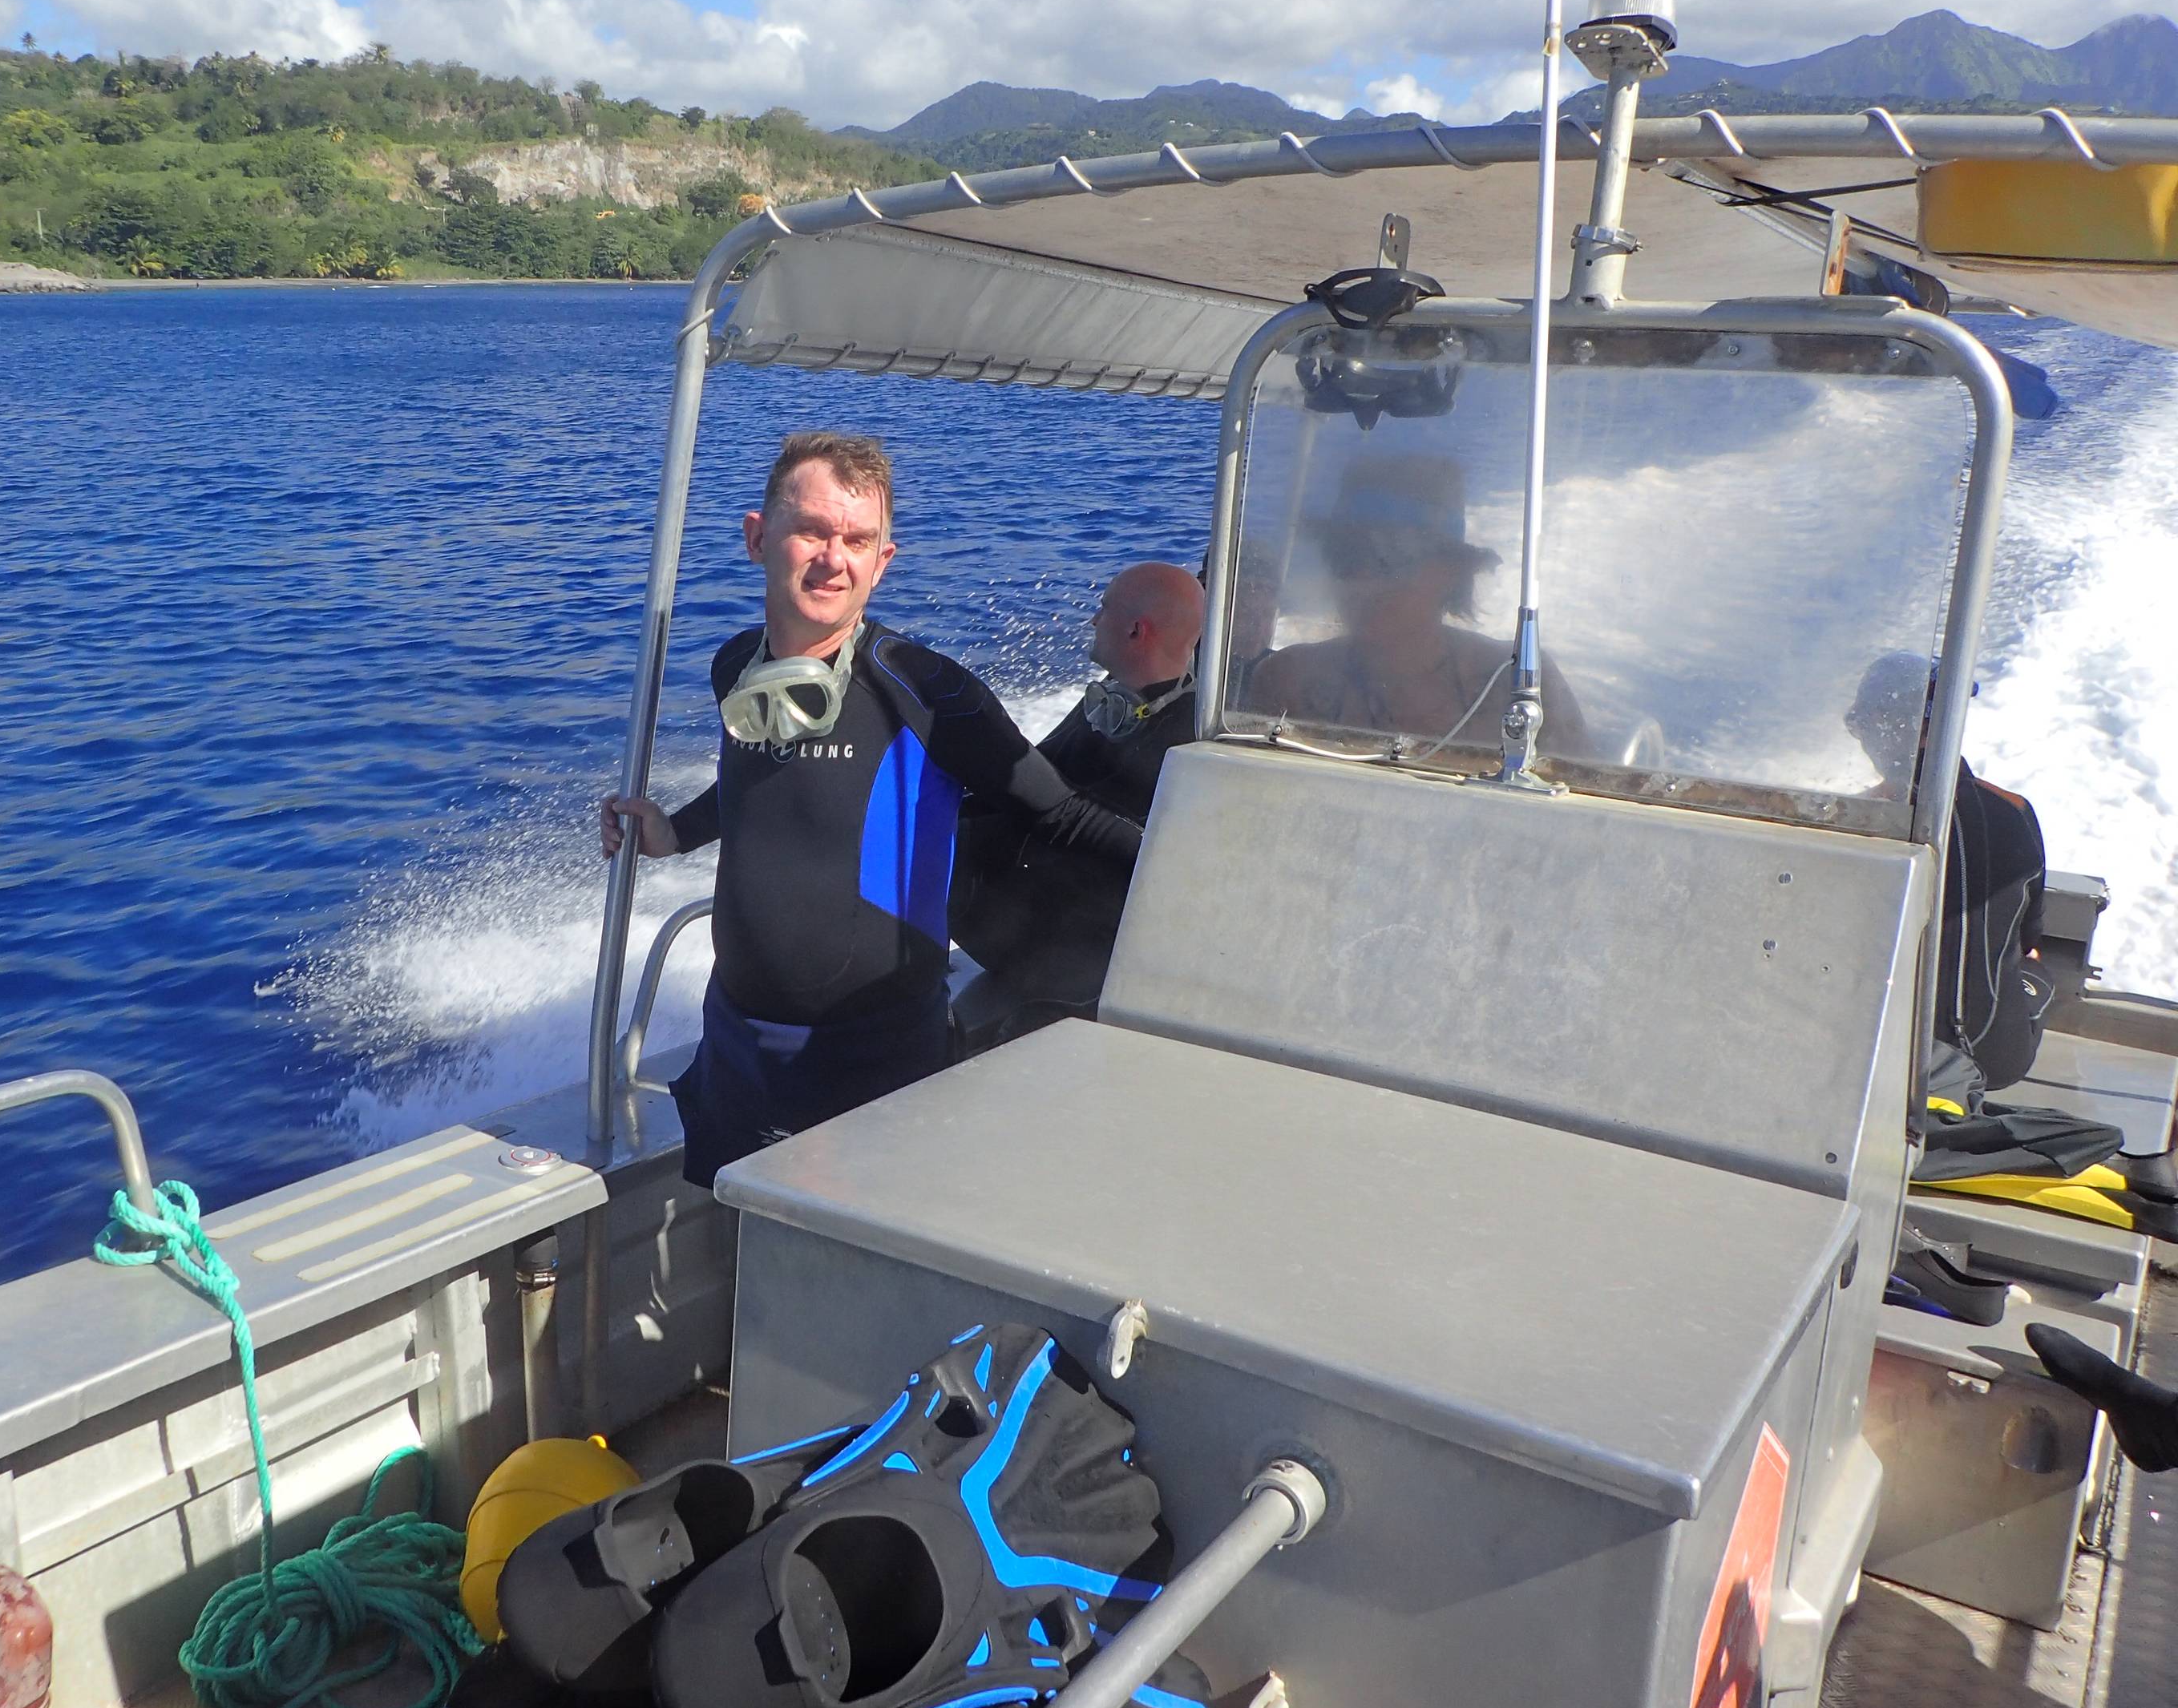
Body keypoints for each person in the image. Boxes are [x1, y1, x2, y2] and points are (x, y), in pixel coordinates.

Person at [600, 432, 1142, 1185]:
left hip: (874, 1057)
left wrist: (1183, 872)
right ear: (758, 539)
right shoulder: (737, 668)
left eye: (857, 540)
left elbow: (1060, 813)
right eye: (812, 531)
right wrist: (676, 832)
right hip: (736, 1043)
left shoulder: (927, 691)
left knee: (834, 1253)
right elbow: (762, 784)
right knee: (738, 1240)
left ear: (882, 561)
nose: (835, 559)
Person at [950, 563, 1203, 1052]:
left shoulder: (1179, 735)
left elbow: (1116, 841)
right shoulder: (1110, 701)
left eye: (1104, 609)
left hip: (1071, 948)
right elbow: (1036, 773)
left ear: (1136, 630)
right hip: (1043, 911)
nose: (1093, 620)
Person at [1241, 452, 1586, 757]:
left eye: (1390, 558)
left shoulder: (1522, 685)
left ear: (1450, 572)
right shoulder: (1286, 681)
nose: (1364, 579)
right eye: (1347, 556)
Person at [1847, 651, 2049, 1091]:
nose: (1859, 734)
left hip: (1871, 1055)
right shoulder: (2014, 811)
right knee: (2036, 968)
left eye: (1860, 721)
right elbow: (2030, 937)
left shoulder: (1857, 819)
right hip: (1998, 1058)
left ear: (1894, 725)